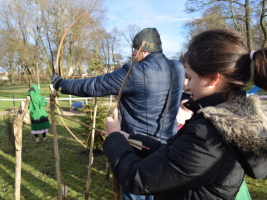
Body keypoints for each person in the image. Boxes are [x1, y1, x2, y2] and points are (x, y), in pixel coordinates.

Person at [103, 28, 267, 200]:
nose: (187, 87)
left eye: (191, 77)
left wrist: (114, 138)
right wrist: (129, 137)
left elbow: (137, 178)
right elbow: (177, 156)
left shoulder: (208, 134)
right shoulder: (233, 120)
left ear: (214, 79)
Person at [52, 27, 185, 200]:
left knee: (137, 189)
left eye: (135, 50)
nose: (132, 53)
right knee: (161, 190)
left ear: (143, 50)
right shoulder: (177, 67)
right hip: (169, 142)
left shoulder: (135, 72)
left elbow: (93, 86)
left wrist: (61, 83)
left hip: (138, 144)